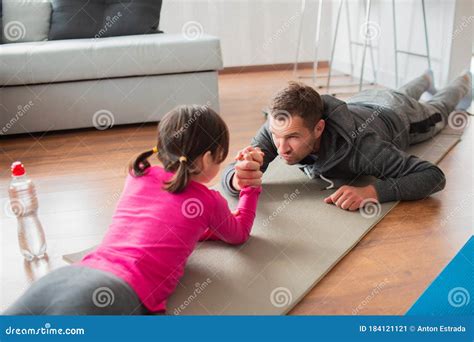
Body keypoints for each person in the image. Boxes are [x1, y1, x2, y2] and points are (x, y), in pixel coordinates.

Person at [4, 105, 262, 315]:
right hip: (115, 290)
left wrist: (197, 232)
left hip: (67, 277)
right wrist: (250, 187)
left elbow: (169, 223)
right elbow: (238, 233)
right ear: (207, 159)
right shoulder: (208, 201)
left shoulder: (138, 174)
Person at [222, 70, 472, 211]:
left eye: (293, 138)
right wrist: (237, 177)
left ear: (319, 128)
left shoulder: (364, 147)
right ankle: (425, 77)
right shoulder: (280, 125)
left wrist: (372, 191)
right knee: (399, 90)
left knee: (440, 106)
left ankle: (464, 79)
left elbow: (433, 177)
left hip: (399, 114)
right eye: (276, 137)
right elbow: (235, 172)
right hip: (364, 100)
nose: (281, 147)